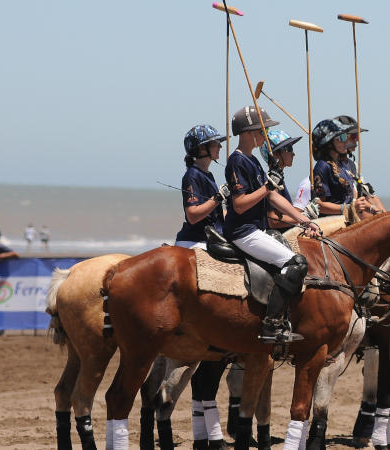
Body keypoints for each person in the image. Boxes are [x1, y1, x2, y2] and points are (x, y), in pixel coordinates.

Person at [224, 105, 320, 343]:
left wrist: (303, 219)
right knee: (295, 263)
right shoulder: (236, 162)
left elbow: (273, 196)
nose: (264, 134)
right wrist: (267, 188)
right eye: (262, 129)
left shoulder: (253, 161)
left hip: (255, 230)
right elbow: (240, 204)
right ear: (249, 132)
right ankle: (272, 324)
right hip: (243, 231)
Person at [175, 123, 231, 450]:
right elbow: (195, 215)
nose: (219, 148)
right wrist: (217, 198)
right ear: (202, 150)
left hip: (215, 240)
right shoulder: (192, 177)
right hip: (194, 243)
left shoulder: (208, 175)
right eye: (214, 144)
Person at [309, 118, 376, 217]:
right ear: (328, 143)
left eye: (346, 137)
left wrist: (373, 209)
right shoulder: (322, 166)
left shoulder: (343, 165)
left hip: (349, 218)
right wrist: (349, 208)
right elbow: (319, 205)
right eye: (341, 138)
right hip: (333, 222)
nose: (346, 141)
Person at [260, 129, 305, 230]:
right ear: (275, 154)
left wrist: (304, 211)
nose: (293, 154)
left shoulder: (279, 181)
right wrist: (305, 217)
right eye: (289, 148)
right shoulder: (270, 182)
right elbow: (274, 221)